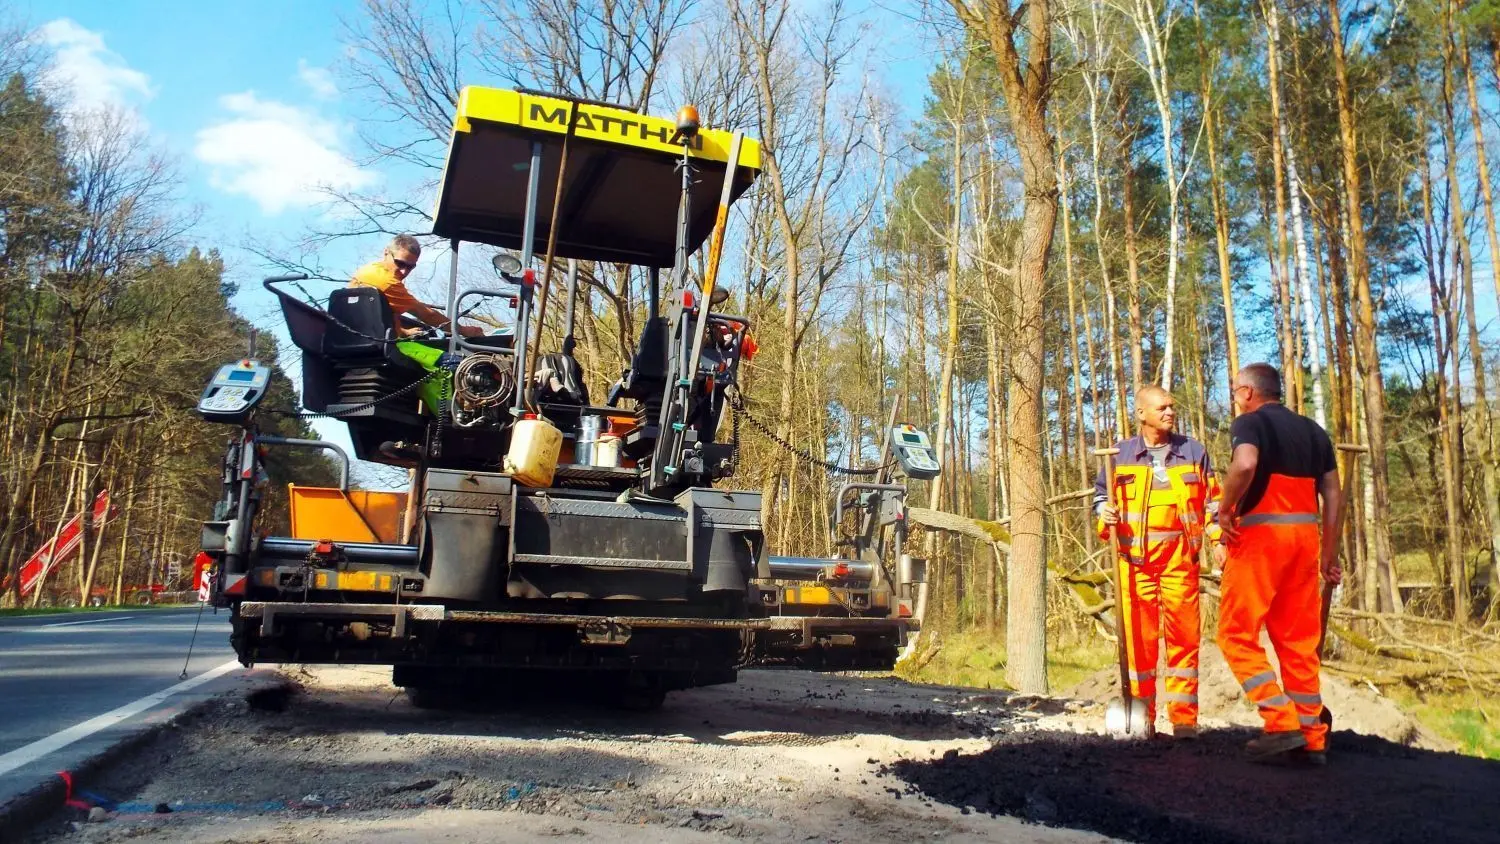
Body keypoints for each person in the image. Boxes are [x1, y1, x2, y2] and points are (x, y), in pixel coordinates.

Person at [1216, 362, 1342, 765]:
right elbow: (1334, 495)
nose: (1236, 398)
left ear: (1249, 393)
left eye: (1237, 391)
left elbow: (1246, 465)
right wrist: (1330, 555)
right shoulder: (1314, 432)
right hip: (1305, 544)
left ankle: (1280, 720)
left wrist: (1224, 509)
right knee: (1298, 642)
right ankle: (1312, 737)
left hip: (1259, 541)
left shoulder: (1251, 424)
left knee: (1235, 634)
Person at [1094, 385, 1223, 739]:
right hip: (1134, 564)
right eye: (1162, 407)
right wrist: (1103, 513)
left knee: (1184, 638)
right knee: (1139, 644)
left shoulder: (1193, 451)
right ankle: (1142, 720)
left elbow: (1212, 503)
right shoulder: (1119, 455)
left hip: (1180, 560)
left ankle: (1184, 722)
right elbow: (1101, 497)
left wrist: (1218, 541)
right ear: (1142, 414)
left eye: (1172, 407)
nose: (1169, 412)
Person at [350, 234, 483, 338]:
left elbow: (380, 314)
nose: (404, 272)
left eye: (410, 267)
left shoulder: (368, 270)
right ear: (386, 252)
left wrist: (403, 332)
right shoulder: (387, 282)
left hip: (362, 336)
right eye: (400, 263)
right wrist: (462, 330)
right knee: (450, 362)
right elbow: (426, 315)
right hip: (378, 342)